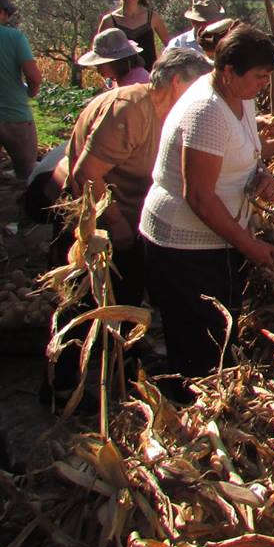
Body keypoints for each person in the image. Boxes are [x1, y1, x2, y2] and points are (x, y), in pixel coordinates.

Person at [44, 48, 213, 400]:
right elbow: (86, 175)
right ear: (177, 81)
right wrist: (116, 222)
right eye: (198, 85)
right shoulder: (131, 111)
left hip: (130, 221)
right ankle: (61, 388)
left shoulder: (170, 113)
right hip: (94, 225)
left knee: (124, 300)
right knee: (82, 302)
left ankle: (120, 372)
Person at [139, 26, 274, 393]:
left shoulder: (240, 97)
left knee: (216, 340)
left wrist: (261, 175)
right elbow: (198, 197)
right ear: (228, 71)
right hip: (184, 250)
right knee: (197, 350)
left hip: (216, 243)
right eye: (259, 77)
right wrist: (252, 247)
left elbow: (246, 153)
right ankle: (191, 426)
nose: (263, 84)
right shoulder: (206, 112)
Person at [0, 0, 41, 182]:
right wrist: (32, 91)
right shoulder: (14, 37)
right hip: (15, 117)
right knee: (27, 175)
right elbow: (34, 76)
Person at [99, 0, 169, 72]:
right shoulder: (109, 21)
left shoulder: (152, 17)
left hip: (150, 79)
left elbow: (170, 46)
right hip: (121, 79)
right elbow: (98, 53)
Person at [77, 28, 150, 87]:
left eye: (101, 64)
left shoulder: (136, 83)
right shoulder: (122, 78)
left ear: (115, 62)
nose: (98, 70)